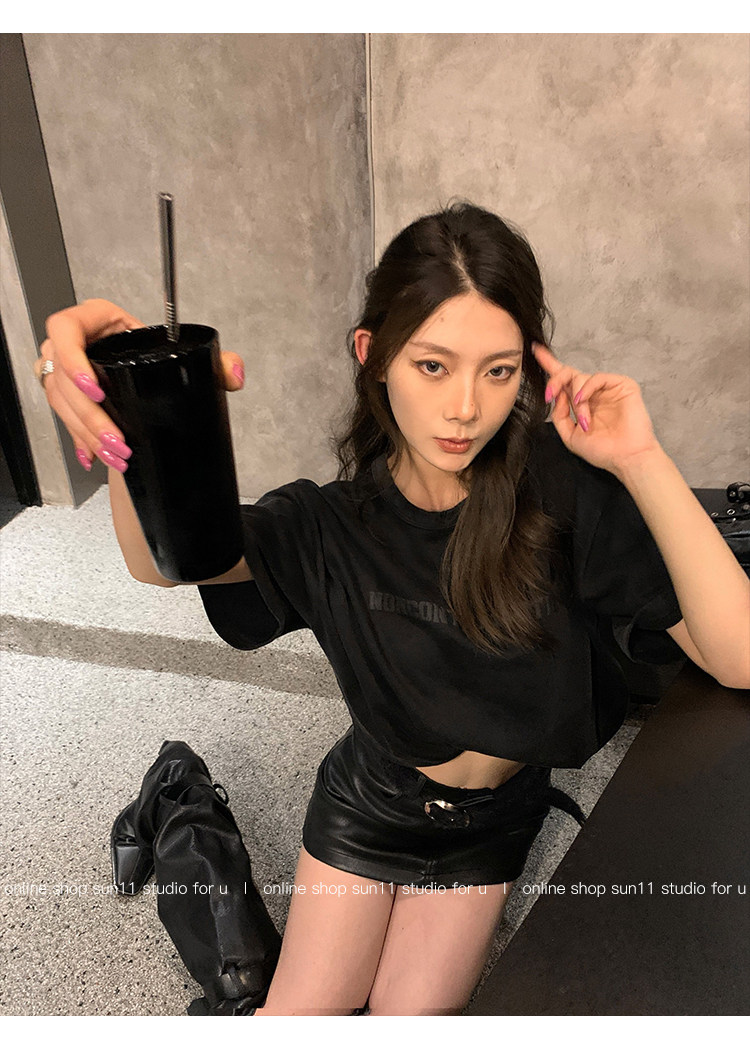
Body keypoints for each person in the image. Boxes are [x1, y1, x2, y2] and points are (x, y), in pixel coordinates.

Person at [37, 201, 750, 1016]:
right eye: (433, 366)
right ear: (372, 356)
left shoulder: (563, 491)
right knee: (292, 1022)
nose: (464, 408)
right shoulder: (329, 524)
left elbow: (738, 655)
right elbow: (163, 566)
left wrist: (640, 457)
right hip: (370, 801)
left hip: (494, 822)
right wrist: (128, 406)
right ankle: (182, 807)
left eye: (498, 371)